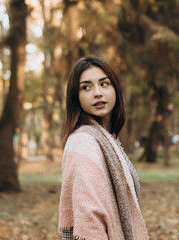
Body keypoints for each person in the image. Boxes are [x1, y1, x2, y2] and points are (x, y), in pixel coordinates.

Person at [58, 56, 149, 240]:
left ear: (115, 89)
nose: (97, 93)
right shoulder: (84, 142)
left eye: (104, 84)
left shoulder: (107, 139)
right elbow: (89, 215)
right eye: (86, 87)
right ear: (76, 97)